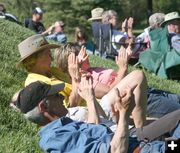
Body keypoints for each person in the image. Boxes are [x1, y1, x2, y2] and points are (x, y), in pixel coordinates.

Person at [13, 77, 180, 153]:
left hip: (150, 146)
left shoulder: (63, 125)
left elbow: (97, 131)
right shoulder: (57, 138)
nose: (62, 96)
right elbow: (116, 151)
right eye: (56, 96)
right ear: (44, 107)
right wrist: (123, 114)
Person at [55, 43, 180, 119]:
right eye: (79, 55)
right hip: (139, 99)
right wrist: (123, 67)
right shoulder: (84, 80)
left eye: (83, 52)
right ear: (70, 63)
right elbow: (113, 91)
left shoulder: (91, 70)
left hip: (146, 90)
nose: (86, 56)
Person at [17, 34, 80, 108]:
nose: (52, 59)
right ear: (35, 59)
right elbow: (69, 108)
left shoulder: (52, 71)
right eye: (49, 55)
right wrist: (76, 78)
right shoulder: (36, 84)